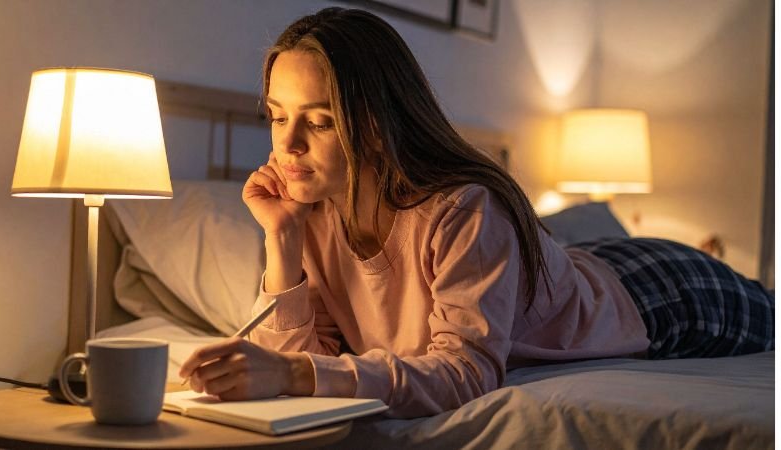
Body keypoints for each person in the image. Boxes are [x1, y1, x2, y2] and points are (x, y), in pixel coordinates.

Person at [179, 7, 774, 418]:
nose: (288, 145)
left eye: (321, 119)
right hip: (569, 270)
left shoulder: (462, 208)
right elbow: (307, 363)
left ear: (381, 126)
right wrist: (281, 242)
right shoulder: (305, 212)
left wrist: (292, 376)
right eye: (279, 116)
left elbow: (466, 372)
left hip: (650, 292)